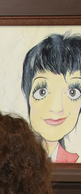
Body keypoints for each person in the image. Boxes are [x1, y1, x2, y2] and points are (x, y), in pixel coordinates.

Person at [21, 32, 81, 163]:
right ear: (28, 95)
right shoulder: (14, 161)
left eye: (73, 92)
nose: (56, 108)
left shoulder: (74, 161)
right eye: (42, 92)